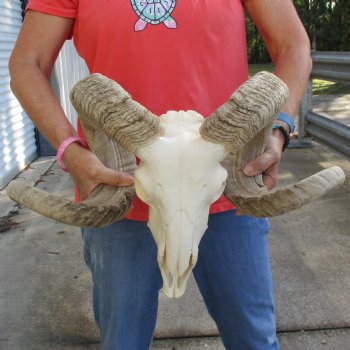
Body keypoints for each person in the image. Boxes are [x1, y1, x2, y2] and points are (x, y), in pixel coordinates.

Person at [9, 0, 312, 349]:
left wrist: (278, 129)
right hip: (118, 195)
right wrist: (69, 151)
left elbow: (293, 45)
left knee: (253, 340)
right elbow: (27, 63)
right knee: (122, 341)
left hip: (224, 191)